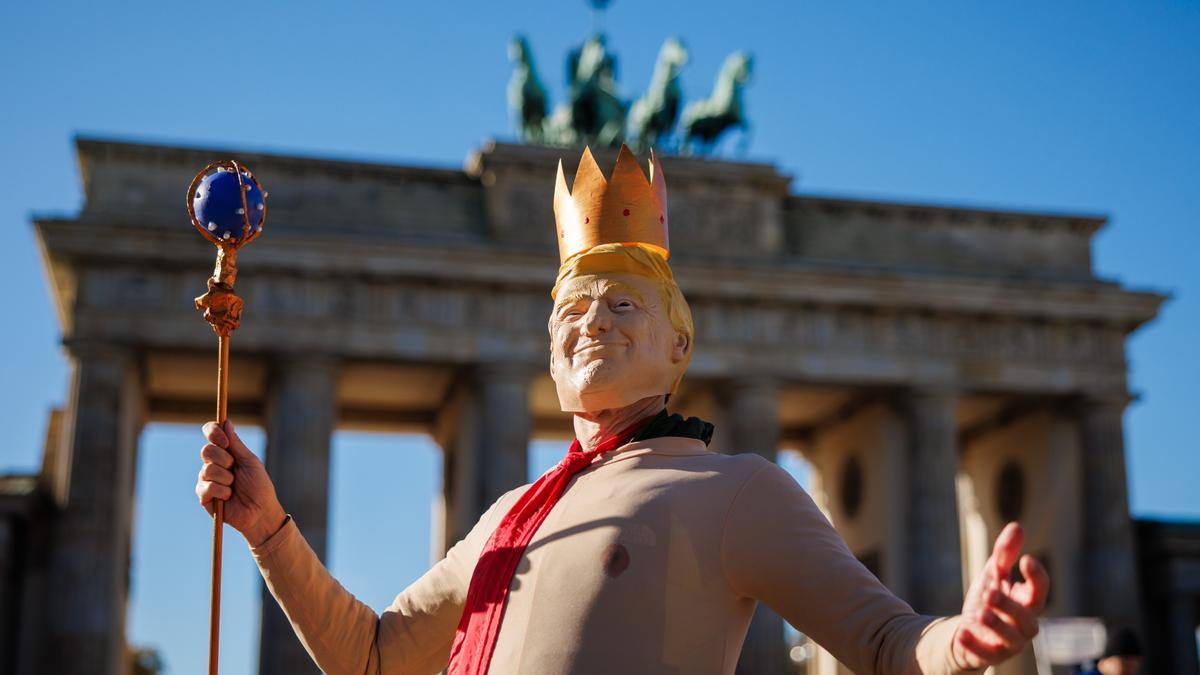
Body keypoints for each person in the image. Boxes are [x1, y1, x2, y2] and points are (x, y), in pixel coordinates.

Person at [196, 146, 1049, 674]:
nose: (591, 323)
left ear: (681, 344)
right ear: (550, 353)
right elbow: (374, 658)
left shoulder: (740, 492)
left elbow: (885, 643)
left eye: (622, 305)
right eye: (571, 311)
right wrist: (271, 530)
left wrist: (963, 641)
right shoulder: (507, 522)